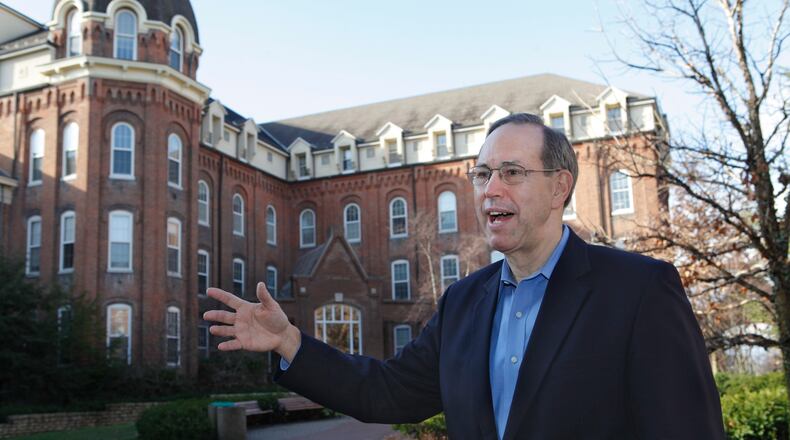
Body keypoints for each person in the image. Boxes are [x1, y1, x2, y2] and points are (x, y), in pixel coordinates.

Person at [204, 113, 725, 439]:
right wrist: (291, 341)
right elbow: (386, 393)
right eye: (481, 175)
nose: (489, 190)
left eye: (512, 173)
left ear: (559, 187)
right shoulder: (465, 303)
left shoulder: (637, 290)